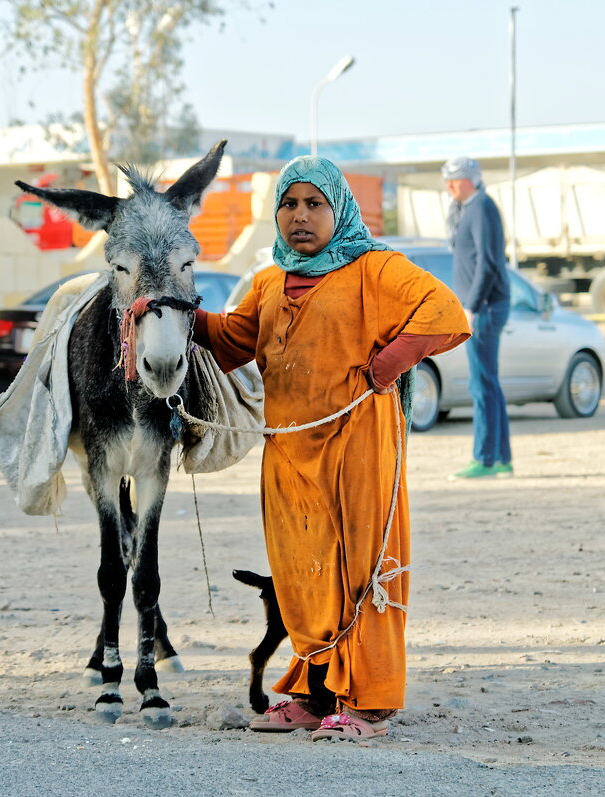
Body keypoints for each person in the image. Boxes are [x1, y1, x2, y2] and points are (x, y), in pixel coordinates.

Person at [192, 156, 469, 741]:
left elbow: (445, 313)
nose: (300, 217)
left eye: (314, 204)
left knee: (360, 570)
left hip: (358, 449)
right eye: (289, 205)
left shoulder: (376, 268)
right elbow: (233, 341)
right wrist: (173, 314)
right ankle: (316, 696)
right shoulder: (268, 281)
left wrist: (388, 364)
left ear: (339, 209)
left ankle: (367, 705)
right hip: (289, 455)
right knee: (302, 573)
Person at [442, 156, 514, 480]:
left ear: (470, 179)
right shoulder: (467, 209)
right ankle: (500, 457)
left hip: (485, 307)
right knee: (489, 383)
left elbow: (489, 261)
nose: (449, 187)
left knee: (481, 385)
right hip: (482, 305)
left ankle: (484, 458)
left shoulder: (481, 207)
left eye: (454, 180)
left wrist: (472, 305)